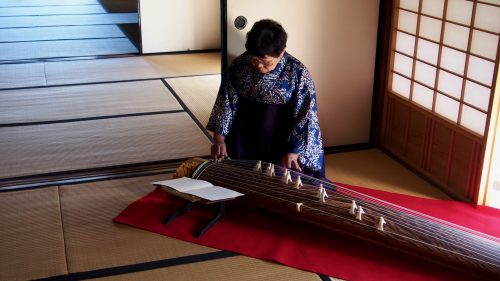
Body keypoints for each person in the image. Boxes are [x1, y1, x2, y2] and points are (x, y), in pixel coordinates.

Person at [206, 19, 325, 178]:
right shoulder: (238, 66)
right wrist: (219, 140)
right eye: (255, 60)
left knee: (293, 179)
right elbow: (225, 104)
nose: (259, 66)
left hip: (283, 136)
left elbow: (306, 115)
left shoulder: (298, 73)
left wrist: (294, 151)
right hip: (245, 134)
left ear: (282, 51)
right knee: (233, 176)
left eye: (266, 62)